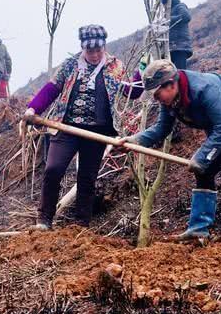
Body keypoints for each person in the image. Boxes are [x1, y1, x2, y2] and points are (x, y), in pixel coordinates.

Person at [119, 59, 221, 252]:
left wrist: (202, 156)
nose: (155, 99)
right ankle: (198, 230)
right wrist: (133, 141)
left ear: (171, 83)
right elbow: (161, 128)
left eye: (156, 93)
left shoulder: (205, 88)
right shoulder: (170, 100)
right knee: (205, 171)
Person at [23, 25, 143, 229]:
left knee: (87, 177)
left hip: (98, 131)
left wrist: (141, 73)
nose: (95, 55)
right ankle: (44, 220)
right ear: (82, 48)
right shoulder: (71, 64)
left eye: (99, 50)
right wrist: (33, 109)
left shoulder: (115, 66)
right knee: (53, 169)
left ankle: (81, 225)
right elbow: (52, 88)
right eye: (90, 51)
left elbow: (131, 92)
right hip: (66, 127)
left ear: (104, 47)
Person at [161, 0, 193, 70]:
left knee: (180, 71)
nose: (164, 6)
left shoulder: (180, 6)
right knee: (171, 72)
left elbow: (186, 16)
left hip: (180, 46)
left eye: (164, 3)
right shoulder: (169, 12)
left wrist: (168, 20)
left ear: (168, 1)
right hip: (172, 48)